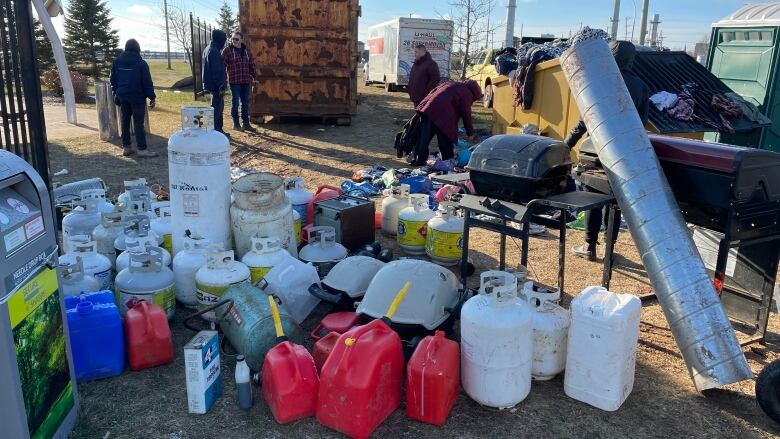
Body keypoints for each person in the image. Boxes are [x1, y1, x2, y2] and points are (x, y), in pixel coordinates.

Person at [567, 40, 650, 261]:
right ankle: (609, 249)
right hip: (625, 154)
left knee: (592, 198)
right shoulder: (642, 86)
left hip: (595, 152)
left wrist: (566, 144)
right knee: (616, 203)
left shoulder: (601, 83)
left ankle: (589, 246)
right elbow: (640, 124)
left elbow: (586, 120)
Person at [413, 80, 482, 166]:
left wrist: (421, 107)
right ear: (475, 93)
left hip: (428, 109)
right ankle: (448, 162)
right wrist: (470, 133)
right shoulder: (467, 93)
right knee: (445, 138)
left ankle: (419, 160)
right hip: (444, 115)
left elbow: (432, 92)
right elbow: (466, 114)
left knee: (424, 138)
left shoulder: (450, 83)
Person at [110, 39, 157, 157]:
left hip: (122, 96)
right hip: (137, 97)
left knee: (124, 122)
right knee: (138, 123)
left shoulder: (117, 62)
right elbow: (147, 82)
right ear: (138, 49)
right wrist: (152, 97)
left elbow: (113, 80)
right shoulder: (141, 63)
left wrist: (115, 92)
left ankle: (126, 147)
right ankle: (142, 149)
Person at [222, 31, 256, 132]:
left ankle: (246, 123)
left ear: (241, 40)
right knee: (235, 102)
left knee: (245, 103)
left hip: (245, 80)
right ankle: (236, 124)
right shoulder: (227, 50)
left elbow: (251, 65)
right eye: (233, 39)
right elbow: (222, 65)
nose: (234, 41)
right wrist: (223, 79)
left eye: (237, 39)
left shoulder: (247, 51)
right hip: (234, 81)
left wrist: (255, 77)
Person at [203, 29, 228, 134]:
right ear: (220, 40)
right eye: (224, 40)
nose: (224, 42)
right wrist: (222, 85)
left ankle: (218, 129)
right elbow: (217, 71)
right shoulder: (213, 51)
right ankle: (215, 131)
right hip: (216, 85)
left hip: (212, 84)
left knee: (217, 107)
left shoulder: (208, 49)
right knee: (217, 108)